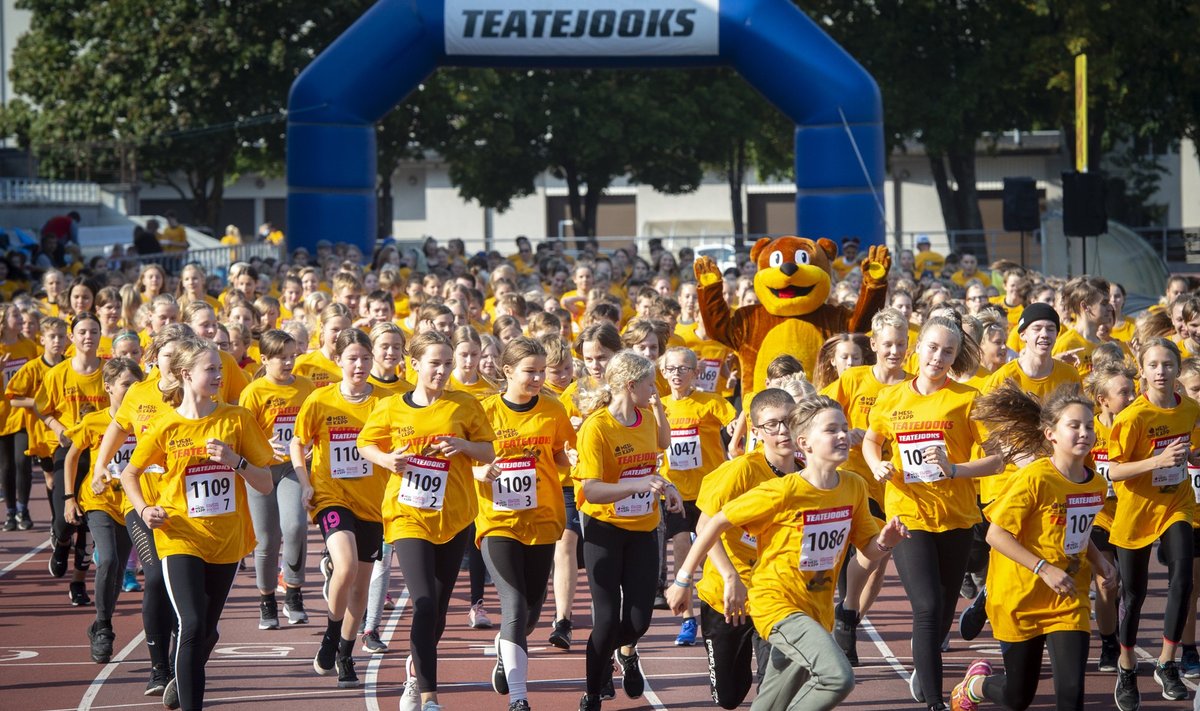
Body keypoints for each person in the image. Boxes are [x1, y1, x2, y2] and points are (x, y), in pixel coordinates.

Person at [668, 395, 909, 711]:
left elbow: (867, 549)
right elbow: (710, 524)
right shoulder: (776, 487)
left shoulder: (853, 486)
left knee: (773, 703)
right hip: (767, 600)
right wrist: (684, 580)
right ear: (804, 441)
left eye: (844, 429)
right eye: (831, 430)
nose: (841, 436)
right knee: (835, 677)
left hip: (814, 606)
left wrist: (885, 542)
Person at [119, 336, 275, 711]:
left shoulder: (237, 420)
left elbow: (265, 482)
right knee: (190, 624)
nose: (219, 375)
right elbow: (129, 473)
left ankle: (180, 675)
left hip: (225, 538)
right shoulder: (166, 425)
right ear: (187, 375)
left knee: (205, 628)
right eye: (211, 369)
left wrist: (234, 460)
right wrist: (143, 510)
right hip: (180, 536)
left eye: (220, 368)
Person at [862, 314, 1002, 711]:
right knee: (925, 606)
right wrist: (876, 464)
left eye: (948, 351)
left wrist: (955, 469)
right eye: (933, 347)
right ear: (917, 347)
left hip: (956, 516)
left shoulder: (967, 398)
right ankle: (936, 703)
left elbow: (997, 460)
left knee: (941, 610)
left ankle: (924, 668)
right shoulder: (891, 397)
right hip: (908, 513)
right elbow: (873, 441)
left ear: (956, 357)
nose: (938, 357)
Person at [949, 382, 1117, 711]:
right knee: (1018, 697)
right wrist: (1043, 568)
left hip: (1067, 598)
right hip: (1019, 595)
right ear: (1051, 434)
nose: (1084, 432)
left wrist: (1101, 564)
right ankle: (975, 687)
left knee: (1071, 692)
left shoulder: (1096, 482)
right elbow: (996, 535)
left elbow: (1078, 536)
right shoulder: (1034, 478)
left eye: (1089, 426)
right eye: (1074, 425)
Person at [358, 330, 496, 711]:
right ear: (414, 364)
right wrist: (387, 460)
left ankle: (415, 670)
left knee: (436, 607)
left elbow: (487, 450)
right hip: (408, 515)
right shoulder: (390, 407)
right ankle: (429, 696)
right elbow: (365, 443)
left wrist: (464, 446)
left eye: (448, 364)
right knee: (421, 603)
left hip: (454, 516)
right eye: (435, 363)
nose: (443, 370)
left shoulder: (465, 405)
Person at [573, 351, 680, 711]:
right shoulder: (597, 427)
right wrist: (636, 486)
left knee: (638, 620)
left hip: (644, 529)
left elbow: (657, 457)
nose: (655, 390)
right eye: (651, 384)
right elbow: (591, 489)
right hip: (604, 529)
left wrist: (667, 487)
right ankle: (592, 691)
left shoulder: (647, 418)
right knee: (605, 620)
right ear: (631, 385)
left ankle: (623, 654)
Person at [475, 337, 575, 711]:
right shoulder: (484, 412)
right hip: (497, 522)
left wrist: (570, 458)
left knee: (531, 611)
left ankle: (506, 649)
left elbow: (562, 456)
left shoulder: (552, 409)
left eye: (540, 371)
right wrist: (477, 470)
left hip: (542, 520)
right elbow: (462, 459)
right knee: (514, 604)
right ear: (507, 372)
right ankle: (519, 697)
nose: (536, 379)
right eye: (529, 372)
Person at [291, 329, 389, 689]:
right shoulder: (321, 400)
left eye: (365, 357)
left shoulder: (384, 402)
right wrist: (304, 483)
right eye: (352, 358)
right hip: (331, 495)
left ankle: (346, 654)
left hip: (372, 503)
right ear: (339, 361)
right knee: (345, 566)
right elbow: (297, 443)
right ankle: (330, 636)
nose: (360, 365)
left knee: (361, 586)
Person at [688, 387, 797, 708]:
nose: (783, 431)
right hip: (727, 594)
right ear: (757, 430)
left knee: (774, 685)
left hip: (776, 595)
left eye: (789, 421)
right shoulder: (739, 471)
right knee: (728, 696)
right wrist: (730, 576)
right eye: (773, 424)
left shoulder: (808, 472)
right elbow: (703, 526)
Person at [1106, 337, 1199, 708]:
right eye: (1154, 365)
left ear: (1178, 370)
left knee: (1183, 578)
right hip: (1135, 512)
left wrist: (1189, 454)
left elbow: (1193, 447)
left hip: (1177, 504)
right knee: (1134, 595)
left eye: (1168, 364)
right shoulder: (1132, 418)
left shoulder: (1190, 409)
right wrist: (1156, 462)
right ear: (1141, 372)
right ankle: (1126, 666)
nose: (1161, 371)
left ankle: (1167, 661)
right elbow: (1113, 470)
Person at [821, 308, 910, 664]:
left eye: (901, 344)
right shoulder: (854, 380)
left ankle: (850, 618)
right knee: (846, 558)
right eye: (887, 344)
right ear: (873, 344)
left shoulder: (913, 384)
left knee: (878, 562)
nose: (894, 351)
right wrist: (846, 430)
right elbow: (819, 413)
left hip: (896, 487)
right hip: (853, 481)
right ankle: (843, 621)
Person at [62, 357, 144, 663]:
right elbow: (72, 457)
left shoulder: (144, 420)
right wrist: (70, 497)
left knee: (118, 568)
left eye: (137, 384)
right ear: (108, 387)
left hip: (132, 504)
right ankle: (105, 628)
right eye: (126, 384)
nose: (132, 389)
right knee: (107, 559)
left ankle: (100, 620)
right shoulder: (95, 421)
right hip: (100, 501)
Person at [657, 346, 737, 646]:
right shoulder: (660, 406)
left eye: (683, 368)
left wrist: (734, 432)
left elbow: (735, 419)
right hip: (676, 493)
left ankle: (718, 608)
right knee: (682, 551)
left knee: (713, 556)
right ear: (663, 373)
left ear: (695, 372)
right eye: (671, 369)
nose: (676, 374)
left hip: (710, 492)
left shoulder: (710, 402)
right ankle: (688, 619)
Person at [238, 330, 316, 629]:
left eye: (292, 356)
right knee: (267, 539)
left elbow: (313, 424)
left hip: (291, 468)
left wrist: (309, 445)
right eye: (282, 357)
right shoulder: (254, 392)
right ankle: (267, 600)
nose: (288, 363)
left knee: (295, 526)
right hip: (260, 471)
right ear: (265, 359)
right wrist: (263, 446)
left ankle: (294, 593)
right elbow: (242, 434)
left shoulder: (307, 387)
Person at [38, 311, 108, 604]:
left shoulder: (109, 371)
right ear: (72, 337)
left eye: (93, 331)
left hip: (101, 451)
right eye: (82, 332)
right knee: (65, 520)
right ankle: (60, 542)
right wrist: (59, 428)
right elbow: (43, 408)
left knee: (90, 522)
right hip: (69, 449)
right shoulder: (58, 374)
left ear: (100, 335)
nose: (88, 337)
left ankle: (79, 583)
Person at [1084, 360, 1138, 674]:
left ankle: (1126, 642)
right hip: (1098, 516)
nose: (1132, 397)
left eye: (1133, 391)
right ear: (1103, 400)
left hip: (1133, 515)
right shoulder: (1088, 428)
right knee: (1106, 583)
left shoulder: (1139, 422)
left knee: (1131, 587)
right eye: (1124, 393)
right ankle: (1108, 643)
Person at [0, 305, 44, 531]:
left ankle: (23, 508)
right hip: (2, 415)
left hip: (23, 413)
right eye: (15, 315)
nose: (20, 319)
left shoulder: (29, 347)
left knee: (22, 461)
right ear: (3, 320)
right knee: (6, 466)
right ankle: (9, 512)